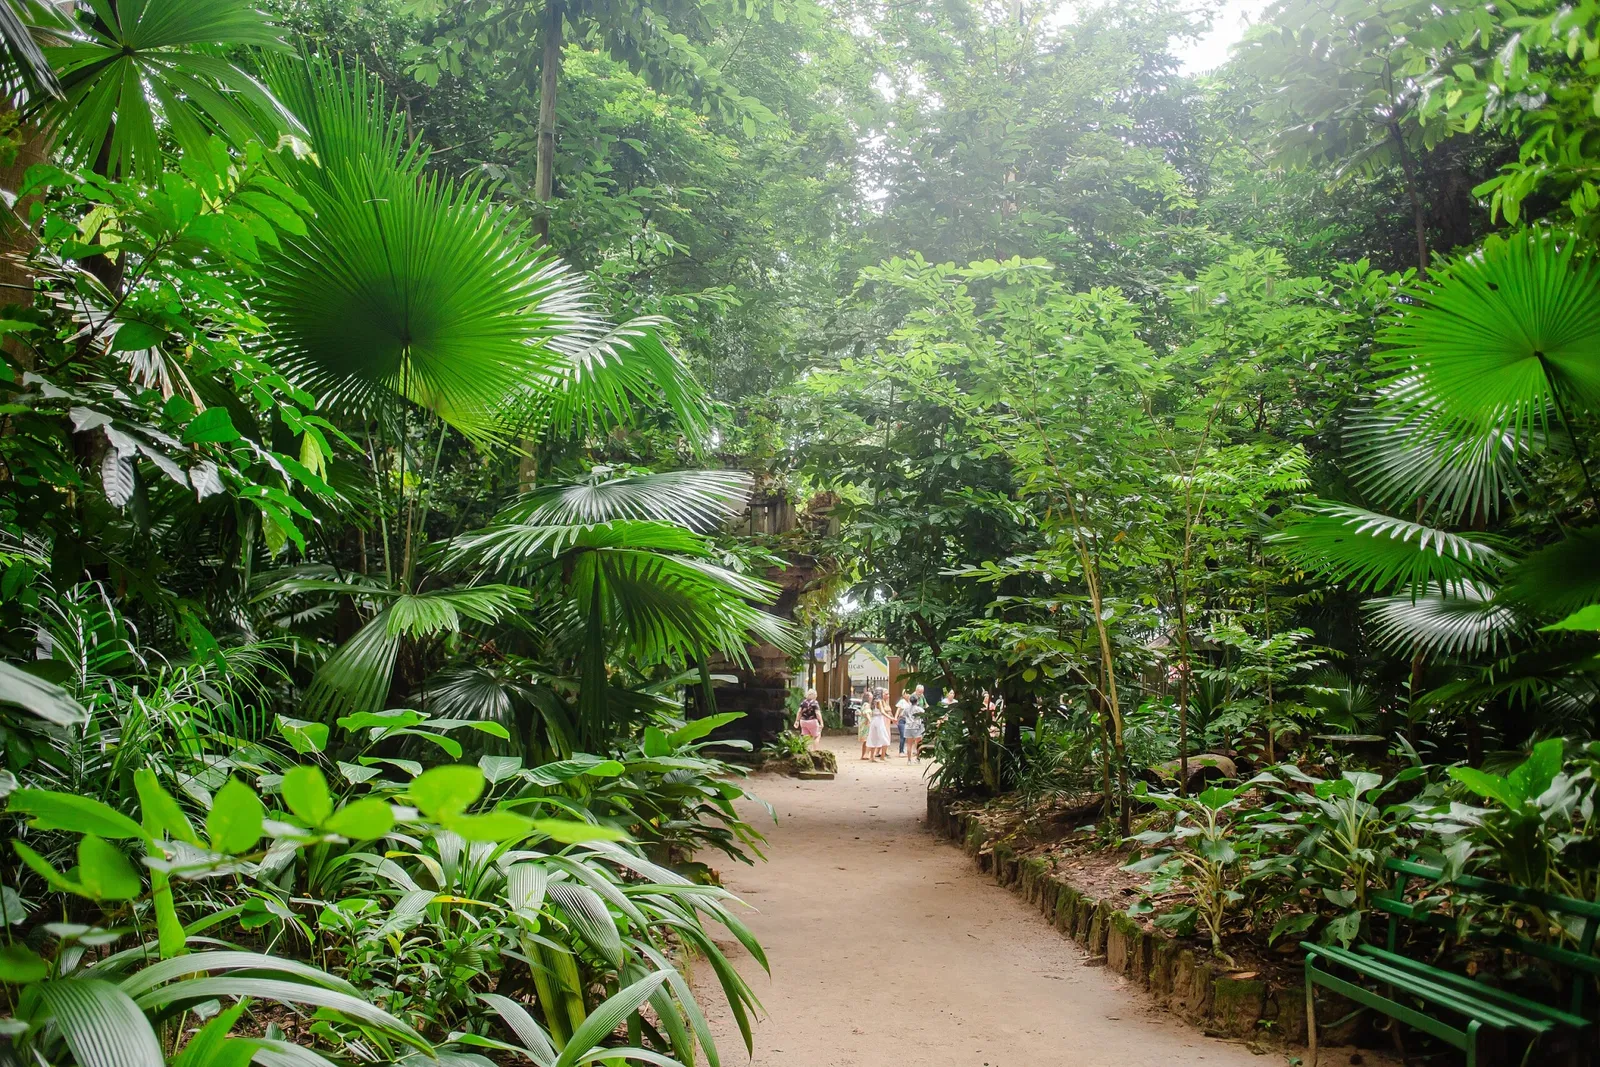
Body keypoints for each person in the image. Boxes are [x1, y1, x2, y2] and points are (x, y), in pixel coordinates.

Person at [866, 695, 893, 761]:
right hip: (879, 721)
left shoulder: (872, 702)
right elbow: (882, 712)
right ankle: (882, 757)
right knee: (885, 737)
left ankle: (872, 757)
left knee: (873, 738)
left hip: (873, 720)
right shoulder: (879, 702)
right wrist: (891, 718)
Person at [902, 694, 925, 762]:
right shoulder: (919, 709)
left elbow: (902, 715)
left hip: (908, 727)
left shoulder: (906, 708)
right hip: (917, 727)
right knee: (918, 743)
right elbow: (924, 715)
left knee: (909, 744)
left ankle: (909, 760)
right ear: (917, 701)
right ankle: (918, 758)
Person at [858, 691, 873, 761]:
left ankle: (863, 755)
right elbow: (867, 714)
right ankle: (865, 754)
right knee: (867, 740)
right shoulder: (866, 705)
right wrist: (871, 721)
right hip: (866, 724)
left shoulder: (865, 704)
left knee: (865, 741)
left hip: (864, 723)